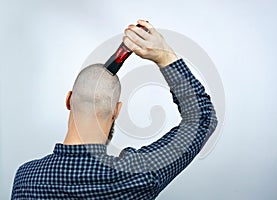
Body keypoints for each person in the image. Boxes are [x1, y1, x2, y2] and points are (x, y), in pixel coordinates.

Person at [11, 20, 218, 199]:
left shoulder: (25, 179)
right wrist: (164, 57)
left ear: (69, 100)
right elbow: (203, 118)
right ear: (116, 111)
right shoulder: (137, 175)